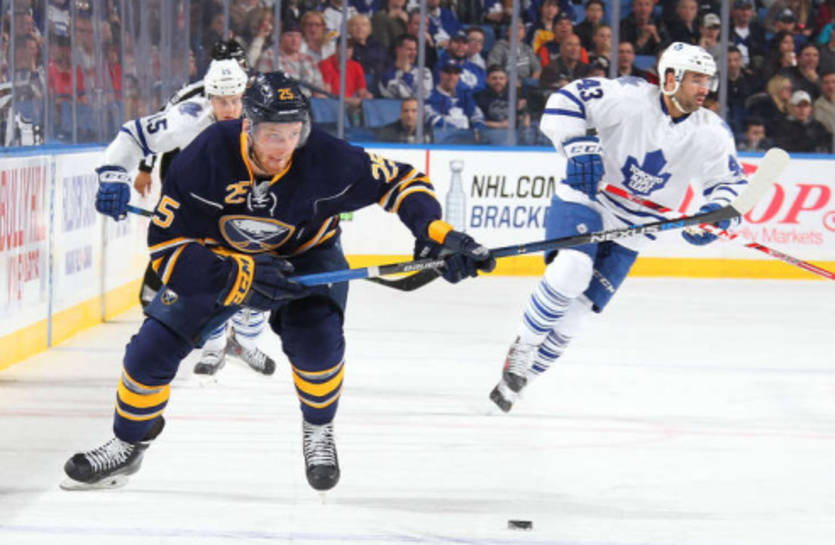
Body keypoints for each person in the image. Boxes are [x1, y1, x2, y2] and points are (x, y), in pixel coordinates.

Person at [62, 72, 495, 493]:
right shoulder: (207, 154)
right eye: (272, 134)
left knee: (318, 343)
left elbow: (402, 181)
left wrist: (434, 231)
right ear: (248, 127)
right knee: (149, 351)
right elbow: (166, 245)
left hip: (305, 256)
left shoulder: (324, 155)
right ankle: (128, 444)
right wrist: (234, 275)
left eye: (293, 133)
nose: (284, 147)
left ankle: (319, 428)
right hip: (221, 259)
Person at [489, 43, 748, 413]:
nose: (704, 88)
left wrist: (715, 214)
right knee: (572, 269)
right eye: (696, 79)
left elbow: (730, 184)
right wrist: (576, 145)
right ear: (671, 78)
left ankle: (517, 383)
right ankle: (523, 349)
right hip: (588, 198)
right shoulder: (630, 97)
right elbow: (565, 100)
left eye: (707, 79)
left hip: (638, 227)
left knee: (578, 314)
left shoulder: (712, 131)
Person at [92, 60, 275, 377]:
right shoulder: (189, 117)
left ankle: (245, 344)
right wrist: (113, 174)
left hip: (249, 210)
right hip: (202, 210)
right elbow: (133, 136)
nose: (229, 109)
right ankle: (215, 347)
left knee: (256, 286)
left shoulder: (266, 119)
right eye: (221, 101)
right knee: (209, 284)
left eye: (235, 100)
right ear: (209, 97)